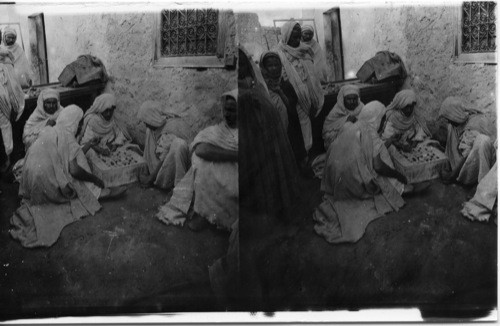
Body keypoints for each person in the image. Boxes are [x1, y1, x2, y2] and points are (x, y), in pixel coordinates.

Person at [10, 105, 126, 248]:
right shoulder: (67, 136)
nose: (80, 125)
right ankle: (97, 193)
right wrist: (95, 179)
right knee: (78, 178)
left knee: (76, 162)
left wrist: (89, 144)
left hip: (29, 178)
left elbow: (69, 154)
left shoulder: (50, 129)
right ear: (74, 122)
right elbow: (74, 170)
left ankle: (97, 191)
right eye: (79, 122)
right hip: (44, 180)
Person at [314, 101, 407, 244]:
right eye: (383, 119)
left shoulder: (354, 125)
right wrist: (399, 175)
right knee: (385, 188)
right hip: (350, 180)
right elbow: (378, 166)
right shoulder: (370, 133)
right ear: (376, 119)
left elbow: (372, 150)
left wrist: (389, 142)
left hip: (335, 176)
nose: (383, 123)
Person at [156, 89, 239, 232]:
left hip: (235, 176)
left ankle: (216, 218)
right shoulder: (217, 130)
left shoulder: (249, 131)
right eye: (226, 110)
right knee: (201, 163)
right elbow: (201, 150)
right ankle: (204, 214)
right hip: (219, 173)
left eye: (232, 110)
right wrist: (235, 155)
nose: (227, 114)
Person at [238, 45, 300, 231]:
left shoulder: (255, 85)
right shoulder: (254, 85)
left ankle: (275, 215)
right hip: (253, 131)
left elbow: (288, 108)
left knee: (269, 172)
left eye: (241, 64)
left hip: (264, 130)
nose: (273, 68)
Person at [274, 21, 324, 152]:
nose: (297, 40)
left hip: (310, 99)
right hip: (292, 101)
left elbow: (312, 75)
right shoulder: (278, 54)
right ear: (285, 36)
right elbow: (281, 80)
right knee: (297, 135)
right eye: (293, 37)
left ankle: (307, 158)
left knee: (309, 133)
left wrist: (313, 97)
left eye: (298, 37)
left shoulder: (305, 50)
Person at [258, 50, 308, 171]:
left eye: (277, 65)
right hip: (270, 129)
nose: (274, 68)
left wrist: (279, 91)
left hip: (289, 127)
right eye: (270, 65)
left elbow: (291, 107)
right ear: (263, 67)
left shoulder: (286, 85)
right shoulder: (260, 87)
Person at [438, 96, 496, 186]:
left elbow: (467, 155)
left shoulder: (476, 123)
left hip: (488, 165)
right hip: (469, 158)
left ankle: (481, 185)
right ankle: (456, 171)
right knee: (451, 127)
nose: (449, 121)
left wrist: (452, 176)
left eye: (449, 118)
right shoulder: (459, 121)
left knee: (482, 141)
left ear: (455, 114)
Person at [136, 100, 190, 190]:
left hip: (173, 168)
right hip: (160, 164)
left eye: (146, 121)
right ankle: (153, 175)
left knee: (178, 144)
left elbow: (164, 158)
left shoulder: (172, 127)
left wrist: (150, 178)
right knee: (149, 131)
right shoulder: (153, 128)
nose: (145, 124)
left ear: (153, 118)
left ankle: (173, 186)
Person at [0, 48, 25, 172]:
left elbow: (13, 85)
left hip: (5, 102)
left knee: (6, 130)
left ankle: (8, 161)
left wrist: (13, 102)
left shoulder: (6, 60)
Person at [323, 84, 364, 149]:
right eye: (349, 99)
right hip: (339, 148)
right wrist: (346, 123)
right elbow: (327, 137)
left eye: (354, 99)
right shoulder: (335, 112)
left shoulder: (362, 108)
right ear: (343, 99)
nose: (352, 102)